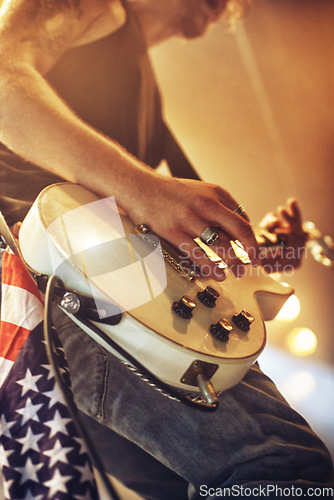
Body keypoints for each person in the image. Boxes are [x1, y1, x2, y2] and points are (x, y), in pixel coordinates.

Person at [0, 0, 333, 498]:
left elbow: (192, 235)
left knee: (186, 487)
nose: (217, 14)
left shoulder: (144, 92)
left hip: (85, 283)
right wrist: (142, 188)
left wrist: (271, 252)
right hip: (66, 264)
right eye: (215, 1)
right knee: (282, 468)